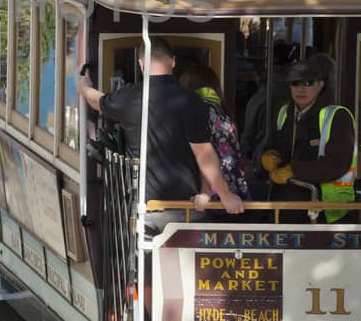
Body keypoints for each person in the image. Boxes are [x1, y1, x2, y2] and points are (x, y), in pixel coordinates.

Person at [77, 36, 242, 232]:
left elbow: (97, 101)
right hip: (186, 210)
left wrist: (84, 87)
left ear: (141, 64)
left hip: (146, 210)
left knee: (145, 261)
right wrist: (223, 195)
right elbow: (203, 153)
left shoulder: (129, 97)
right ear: (173, 61)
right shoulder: (191, 101)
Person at [259, 53, 357, 222]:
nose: (300, 89)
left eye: (308, 83)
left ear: (321, 85)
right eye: (295, 83)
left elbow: (336, 164)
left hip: (324, 213)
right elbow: (272, 145)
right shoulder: (283, 112)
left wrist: (293, 170)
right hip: (282, 207)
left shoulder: (337, 116)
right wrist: (269, 156)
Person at [177, 63, 255, 208]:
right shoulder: (221, 111)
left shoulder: (199, 109)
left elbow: (204, 152)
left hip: (215, 194)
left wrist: (206, 190)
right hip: (234, 190)